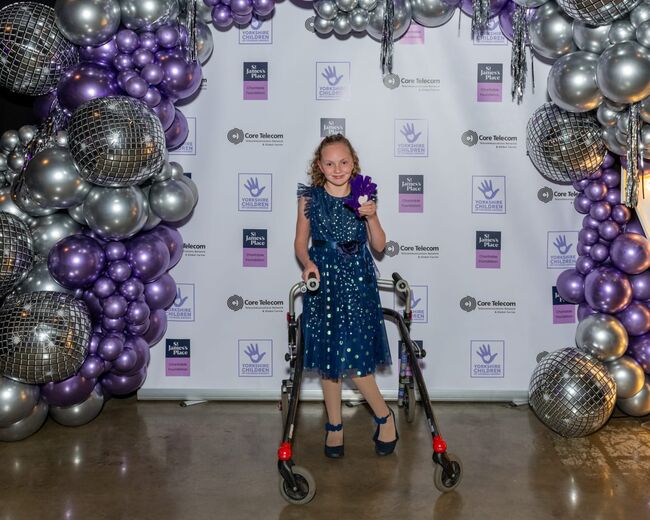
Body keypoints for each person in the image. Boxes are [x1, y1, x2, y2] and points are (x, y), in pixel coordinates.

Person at [294, 134, 397, 459]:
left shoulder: (364, 193)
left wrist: (372, 216)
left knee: (352, 356)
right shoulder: (309, 198)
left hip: (356, 280)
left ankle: (384, 416)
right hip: (323, 279)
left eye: (343, 162)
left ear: (353, 163)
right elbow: (300, 242)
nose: (337, 169)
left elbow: (379, 246)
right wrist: (308, 263)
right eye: (329, 163)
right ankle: (335, 426)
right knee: (328, 355)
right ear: (319, 166)